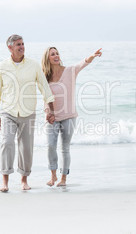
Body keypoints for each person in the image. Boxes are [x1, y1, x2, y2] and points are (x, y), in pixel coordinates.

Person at [0, 34, 55, 192]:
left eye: (23, 44)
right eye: (18, 44)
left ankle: (24, 180)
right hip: (8, 111)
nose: (22, 47)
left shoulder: (33, 65)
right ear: (10, 48)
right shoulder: (1, 66)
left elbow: (44, 87)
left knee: (26, 147)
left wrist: (51, 109)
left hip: (28, 112)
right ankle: (5, 180)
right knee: (7, 143)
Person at [42, 46, 102, 187]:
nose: (56, 56)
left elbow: (82, 63)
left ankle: (63, 178)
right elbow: (45, 97)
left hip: (69, 116)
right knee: (50, 145)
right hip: (52, 117)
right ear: (47, 58)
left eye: (57, 53)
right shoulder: (45, 76)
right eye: (52, 54)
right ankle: (53, 175)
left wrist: (92, 56)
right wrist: (48, 112)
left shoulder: (69, 71)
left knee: (65, 148)